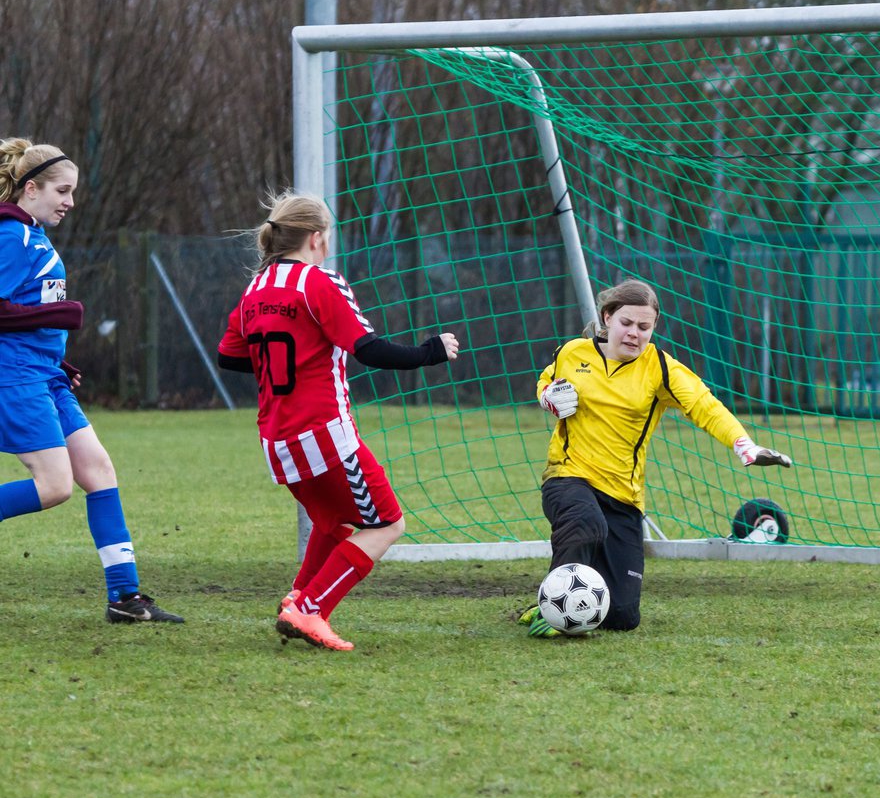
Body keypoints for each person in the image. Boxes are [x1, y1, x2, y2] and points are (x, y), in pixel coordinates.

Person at [217, 192, 460, 651]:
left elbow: (229, 357)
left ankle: (298, 596)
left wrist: (290, 362)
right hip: (324, 435)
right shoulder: (318, 283)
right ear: (316, 237)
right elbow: (367, 348)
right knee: (387, 524)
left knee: (332, 523)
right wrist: (429, 352)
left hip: (276, 439)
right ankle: (311, 609)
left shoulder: (256, 290)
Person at [519, 278, 792, 637]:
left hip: (623, 496)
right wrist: (547, 398)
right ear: (607, 318)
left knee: (622, 617)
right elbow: (547, 381)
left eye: (644, 327)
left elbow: (704, 406)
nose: (634, 334)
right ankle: (555, 606)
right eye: (626, 323)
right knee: (587, 524)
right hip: (568, 477)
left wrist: (745, 446)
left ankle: (571, 593)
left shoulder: (660, 368)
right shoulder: (572, 353)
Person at [0, 138, 183, 623]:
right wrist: (64, 313)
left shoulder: (33, 235)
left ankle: (124, 598)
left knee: (99, 472)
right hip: (14, 379)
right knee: (54, 486)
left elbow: (26, 313)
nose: (70, 201)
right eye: (62, 190)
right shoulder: (10, 236)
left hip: (43, 376)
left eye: (73, 192)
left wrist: (56, 355)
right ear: (31, 187)